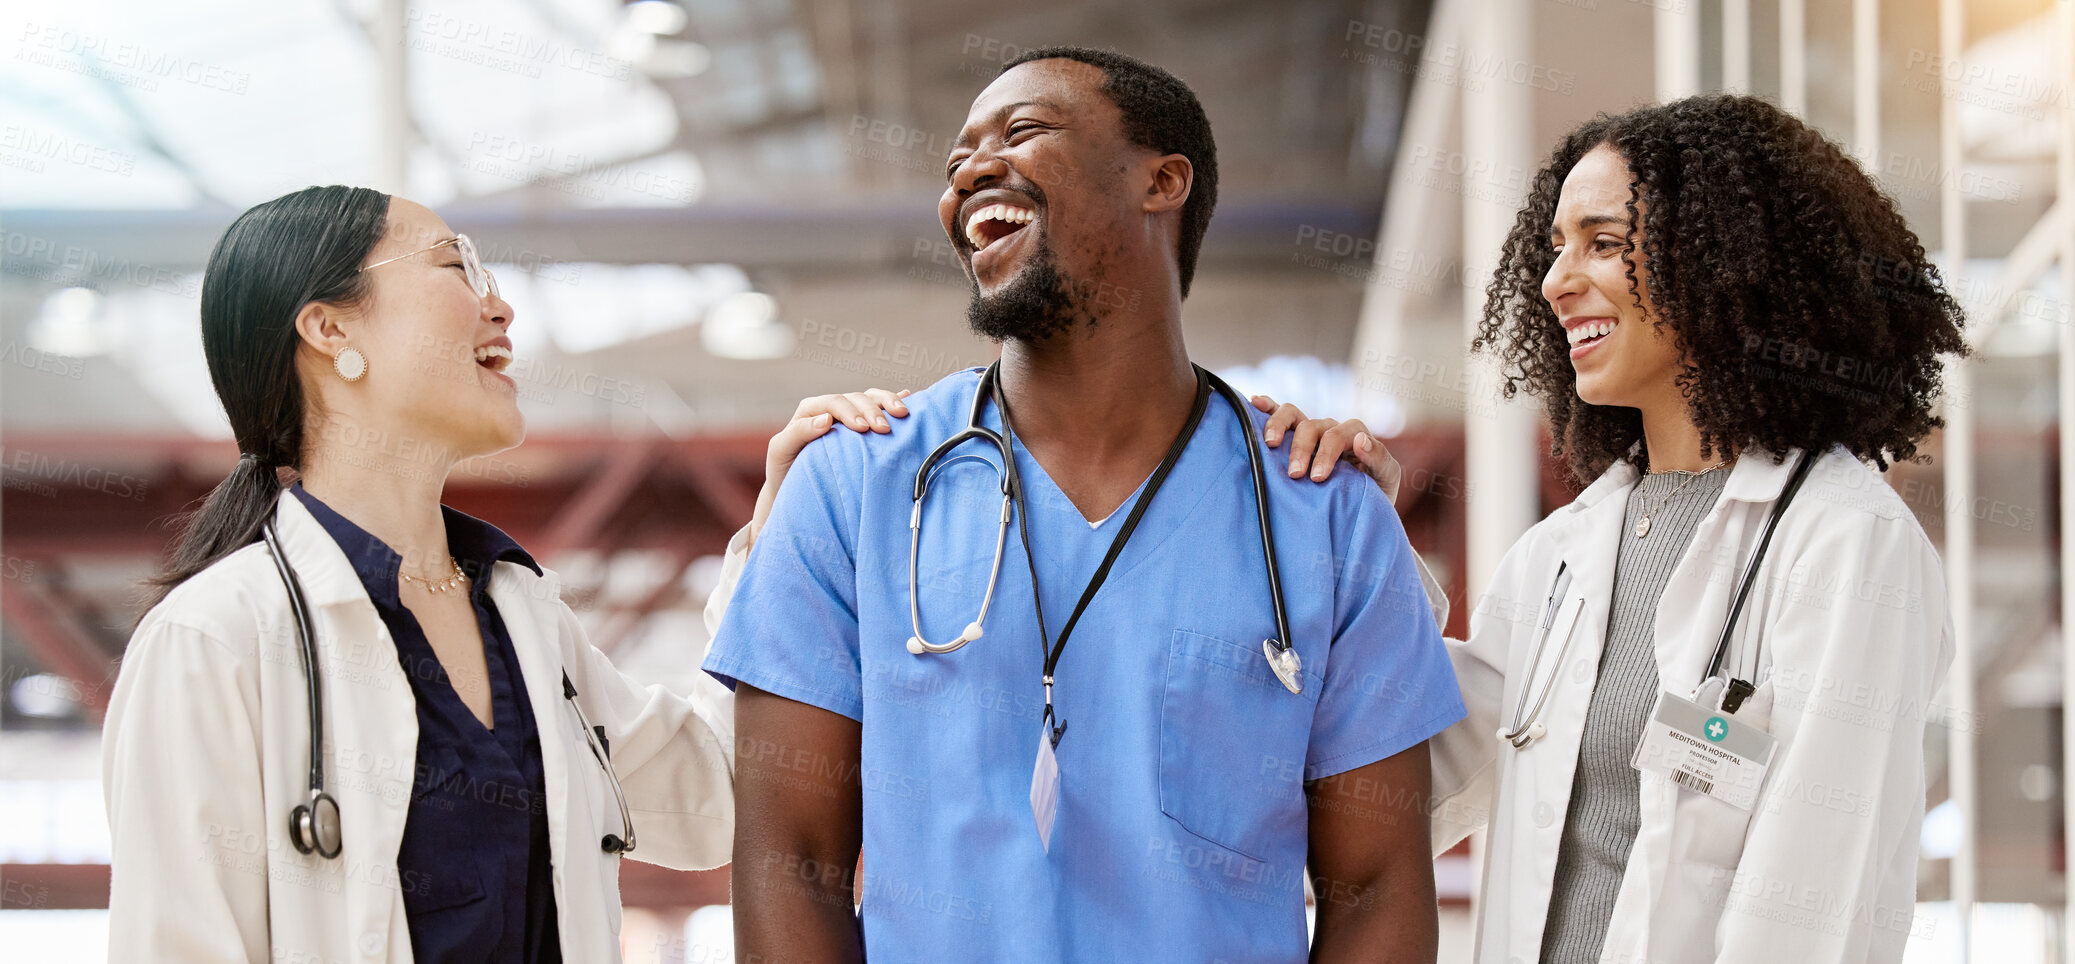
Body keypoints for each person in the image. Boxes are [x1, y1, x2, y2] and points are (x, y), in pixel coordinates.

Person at [701, 47, 1464, 962]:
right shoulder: (851, 485)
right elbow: (790, 860)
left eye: (1022, 132)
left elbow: (1377, 884)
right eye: (955, 164)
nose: (973, 171)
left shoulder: (1322, 513)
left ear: (1161, 180)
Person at [1268, 94, 1965, 962]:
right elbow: (1418, 767)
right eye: (1556, 246)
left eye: (1601, 243)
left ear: (1728, 261)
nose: (1556, 280)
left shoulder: (1845, 540)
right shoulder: (1563, 553)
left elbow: (1816, 900)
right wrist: (1354, 534)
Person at [101, 186, 737, 962]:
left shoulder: (523, 619)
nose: (500, 308)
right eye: (454, 265)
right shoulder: (215, 638)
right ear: (330, 328)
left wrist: (783, 540)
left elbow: (712, 799)